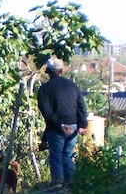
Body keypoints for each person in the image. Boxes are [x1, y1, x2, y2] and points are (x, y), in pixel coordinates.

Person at [36, 57, 88, 186]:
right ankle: (71, 185)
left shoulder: (45, 89)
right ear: (61, 71)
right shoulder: (73, 86)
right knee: (67, 156)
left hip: (56, 128)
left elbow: (46, 111)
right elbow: (81, 106)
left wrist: (60, 125)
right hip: (73, 126)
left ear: (48, 72)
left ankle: (58, 186)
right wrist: (82, 125)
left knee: (56, 157)